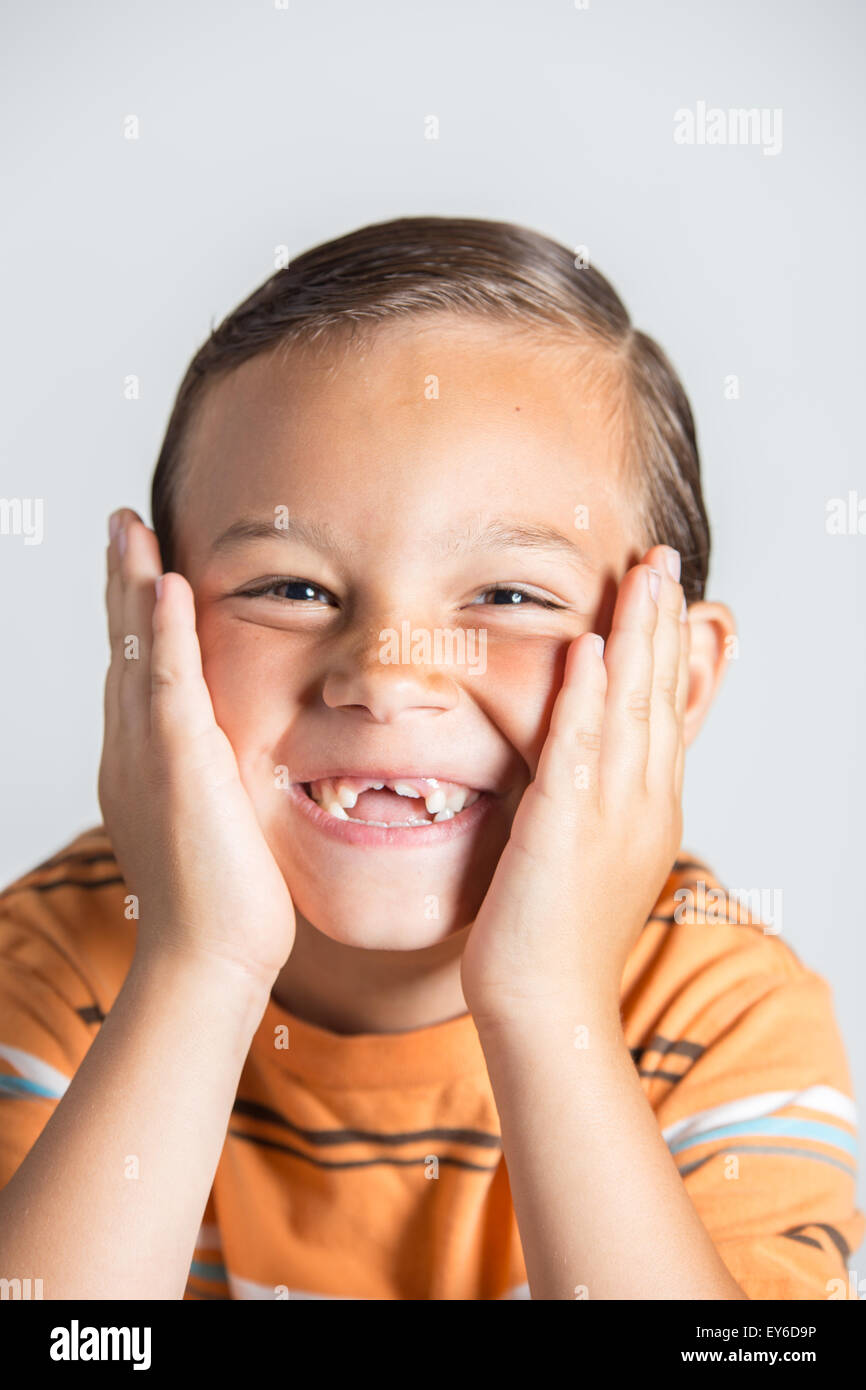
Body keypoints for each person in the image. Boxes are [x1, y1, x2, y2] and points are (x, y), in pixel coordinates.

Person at [0, 217, 861, 1300]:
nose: (386, 671)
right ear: (146, 638)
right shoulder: (50, 975)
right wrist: (197, 969)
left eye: (506, 595)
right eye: (289, 587)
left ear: (670, 683)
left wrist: (548, 1007)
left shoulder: (714, 1015)